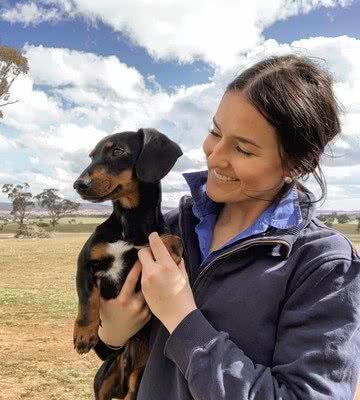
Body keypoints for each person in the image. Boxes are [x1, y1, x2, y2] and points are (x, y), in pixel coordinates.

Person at [94, 54, 360, 399]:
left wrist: (181, 318)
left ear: (294, 165)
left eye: (244, 150)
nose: (214, 156)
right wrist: (111, 335)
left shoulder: (323, 266)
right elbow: (124, 350)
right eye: (215, 131)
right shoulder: (172, 229)